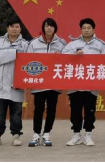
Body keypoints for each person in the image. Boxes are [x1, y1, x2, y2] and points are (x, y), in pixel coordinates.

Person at [62, 18, 105, 146]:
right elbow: (63, 56)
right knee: (75, 111)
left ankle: (88, 134)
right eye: (84, 28)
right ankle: (76, 134)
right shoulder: (73, 44)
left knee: (90, 111)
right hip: (75, 84)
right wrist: (74, 53)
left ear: (93, 29)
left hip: (91, 85)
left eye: (89, 28)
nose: (86, 30)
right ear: (81, 29)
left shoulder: (100, 45)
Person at [0, 16, 29, 147]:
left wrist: (6, 54)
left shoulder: (25, 45)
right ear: (7, 28)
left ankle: (16, 135)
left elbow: (29, 61)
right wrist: (14, 53)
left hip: (16, 83)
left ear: (20, 29)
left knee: (16, 113)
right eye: (12, 26)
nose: (14, 29)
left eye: (17, 27)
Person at [26, 18, 66, 147]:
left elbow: (67, 61)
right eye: (47, 26)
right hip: (39, 82)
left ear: (55, 28)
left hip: (54, 81)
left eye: (51, 26)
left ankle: (47, 133)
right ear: (43, 28)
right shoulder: (34, 43)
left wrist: (60, 57)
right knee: (38, 108)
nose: (49, 28)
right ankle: (36, 134)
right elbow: (27, 60)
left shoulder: (61, 43)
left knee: (52, 109)